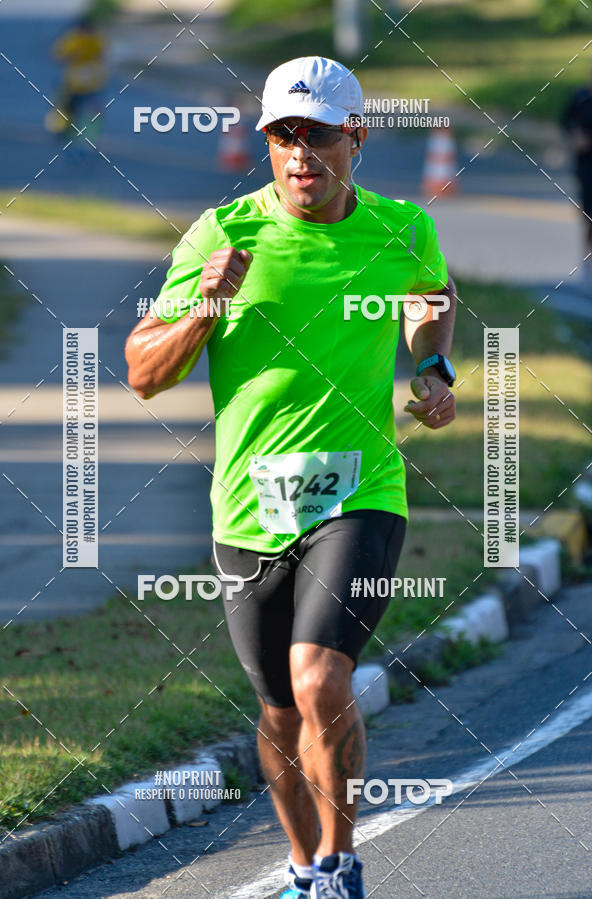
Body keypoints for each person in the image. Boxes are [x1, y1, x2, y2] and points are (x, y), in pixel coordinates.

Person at [125, 56, 457, 899]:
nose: (299, 152)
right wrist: (204, 305)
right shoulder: (220, 234)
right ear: (268, 142)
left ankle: (343, 862)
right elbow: (142, 372)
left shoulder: (401, 228)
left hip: (361, 490)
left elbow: (431, 296)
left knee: (321, 676)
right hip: (248, 506)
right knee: (278, 710)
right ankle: (305, 864)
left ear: (356, 137)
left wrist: (436, 368)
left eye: (315, 134)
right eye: (283, 134)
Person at [45, 14, 107, 140]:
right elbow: (103, 56)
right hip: (91, 81)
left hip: (77, 82)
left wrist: (69, 58)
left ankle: (64, 130)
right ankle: (89, 135)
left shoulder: (74, 40)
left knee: (69, 106)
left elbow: (58, 57)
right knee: (89, 108)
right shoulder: (97, 40)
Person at [561, 74, 592, 291]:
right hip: (586, 166)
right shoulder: (580, 97)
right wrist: (576, 136)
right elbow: (565, 121)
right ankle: (588, 264)